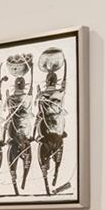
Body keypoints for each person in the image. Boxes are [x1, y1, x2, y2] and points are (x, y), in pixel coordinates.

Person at [37, 46, 71, 195]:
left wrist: (39, 94)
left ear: (47, 81)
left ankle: (49, 181)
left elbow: (40, 112)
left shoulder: (43, 95)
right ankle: (55, 177)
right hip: (57, 131)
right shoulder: (59, 93)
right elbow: (63, 89)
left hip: (46, 131)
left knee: (39, 121)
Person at [3, 52, 36, 194]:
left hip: (14, 132)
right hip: (25, 132)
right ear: (23, 85)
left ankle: (16, 182)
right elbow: (31, 90)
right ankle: (21, 181)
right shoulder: (28, 97)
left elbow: (8, 109)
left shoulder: (10, 98)